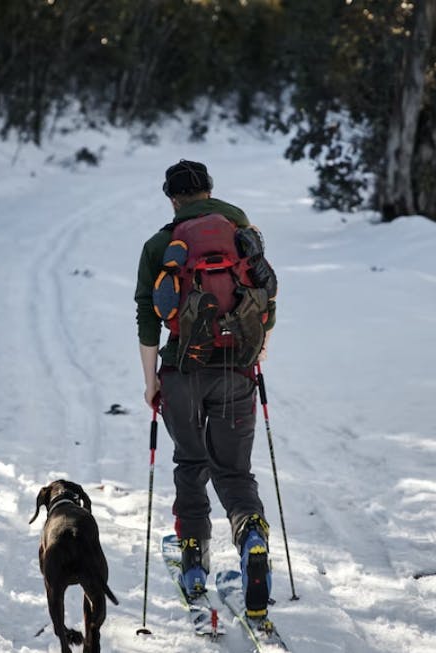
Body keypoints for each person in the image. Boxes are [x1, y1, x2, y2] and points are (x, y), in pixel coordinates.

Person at [134, 159, 277, 620]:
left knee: (191, 463)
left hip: (182, 373)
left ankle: (194, 563)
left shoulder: (161, 244)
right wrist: (256, 353)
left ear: (172, 198)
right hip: (237, 369)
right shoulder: (241, 232)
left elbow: (146, 316)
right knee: (235, 473)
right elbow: (267, 299)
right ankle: (251, 533)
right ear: (210, 190)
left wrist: (151, 379)